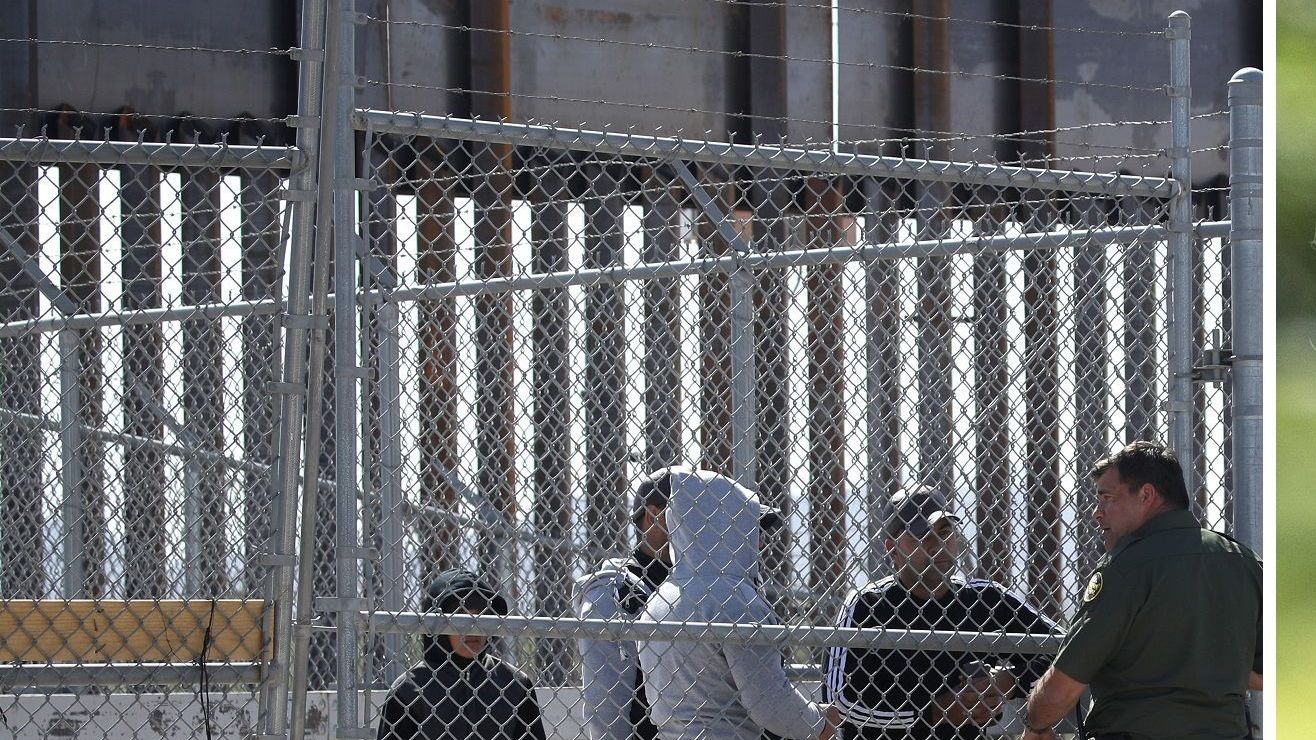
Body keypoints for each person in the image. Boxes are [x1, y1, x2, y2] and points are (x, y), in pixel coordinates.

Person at [1022, 441, 1263, 740]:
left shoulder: (1126, 567)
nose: (1097, 513)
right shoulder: (1243, 561)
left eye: (1107, 498)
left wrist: (1035, 727)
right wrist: (1210, 668)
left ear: (1147, 495)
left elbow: (1062, 689)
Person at [823, 486, 1061, 740]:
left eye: (945, 532)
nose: (937, 544)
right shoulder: (866, 604)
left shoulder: (984, 599)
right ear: (892, 549)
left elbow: (1066, 648)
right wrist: (937, 712)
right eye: (921, 536)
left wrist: (1008, 681)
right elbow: (837, 702)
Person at [635, 469, 841, 740]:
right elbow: (770, 704)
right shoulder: (736, 599)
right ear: (722, 524)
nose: (759, 540)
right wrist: (820, 723)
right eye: (749, 526)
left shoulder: (660, 598)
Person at [376, 568, 548, 740]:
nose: (472, 627)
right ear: (437, 624)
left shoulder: (514, 685)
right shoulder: (409, 690)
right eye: (460, 616)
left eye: (481, 616)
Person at [575, 468, 679, 740]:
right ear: (654, 516)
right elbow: (605, 706)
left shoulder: (697, 585)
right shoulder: (613, 592)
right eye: (690, 514)